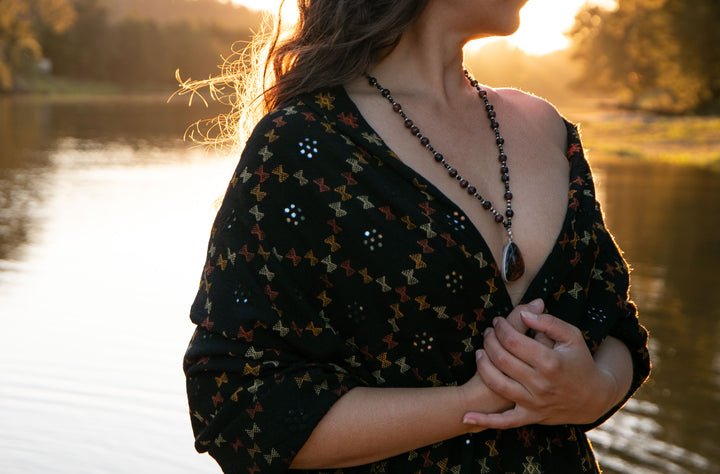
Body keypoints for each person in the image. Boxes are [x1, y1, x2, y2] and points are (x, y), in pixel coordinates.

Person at [182, 0, 651, 472]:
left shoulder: (545, 127)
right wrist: (471, 403)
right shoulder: (303, 145)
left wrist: (595, 390)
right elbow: (236, 405)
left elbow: (615, 325)